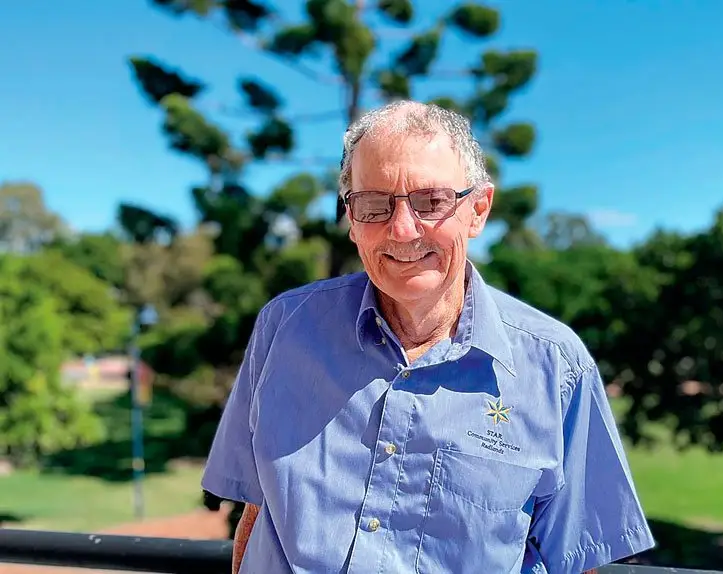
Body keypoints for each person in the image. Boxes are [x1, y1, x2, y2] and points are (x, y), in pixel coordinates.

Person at [201, 100, 655, 574]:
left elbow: (575, 562)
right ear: (352, 220)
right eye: (374, 205)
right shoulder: (283, 329)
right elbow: (255, 519)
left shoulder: (557, 368)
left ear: (477, 211)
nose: (401, 229)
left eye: (431, 202)